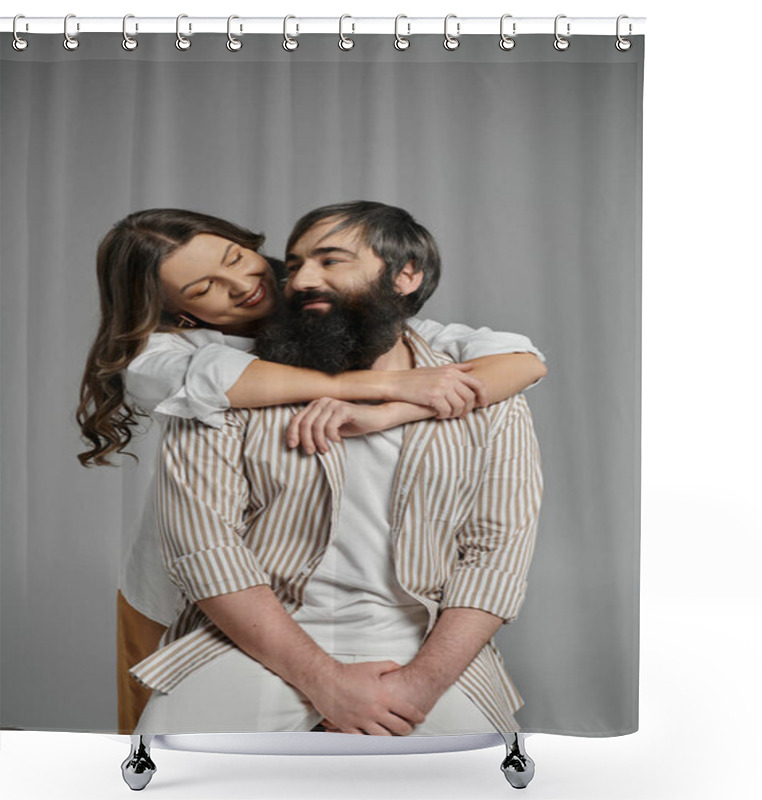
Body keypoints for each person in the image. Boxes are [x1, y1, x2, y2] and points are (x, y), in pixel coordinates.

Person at [76, 208, 547, 733]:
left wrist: (394, 409)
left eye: (238, 258)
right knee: (150, 749)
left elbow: (521, 362)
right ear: (180, 314)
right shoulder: (180, 362)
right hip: (184, 599)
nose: (243, 285)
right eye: (205, 286)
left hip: (390, 625)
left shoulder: (346, 314)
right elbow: (211, 398)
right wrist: (377, 388)